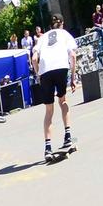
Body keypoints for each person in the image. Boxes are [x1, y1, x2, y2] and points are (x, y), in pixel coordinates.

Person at [30, 15, 79, 161]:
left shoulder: (42, 38)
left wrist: (39, 74)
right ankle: (68, 136)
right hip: (60, 67)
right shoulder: (65, 34)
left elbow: (33, 58)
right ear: (62, 24)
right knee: (62, 101)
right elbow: (73, 55)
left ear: (50, 26)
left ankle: (48, 148)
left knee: (49, 110)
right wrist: (72, 78)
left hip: (45, 71)